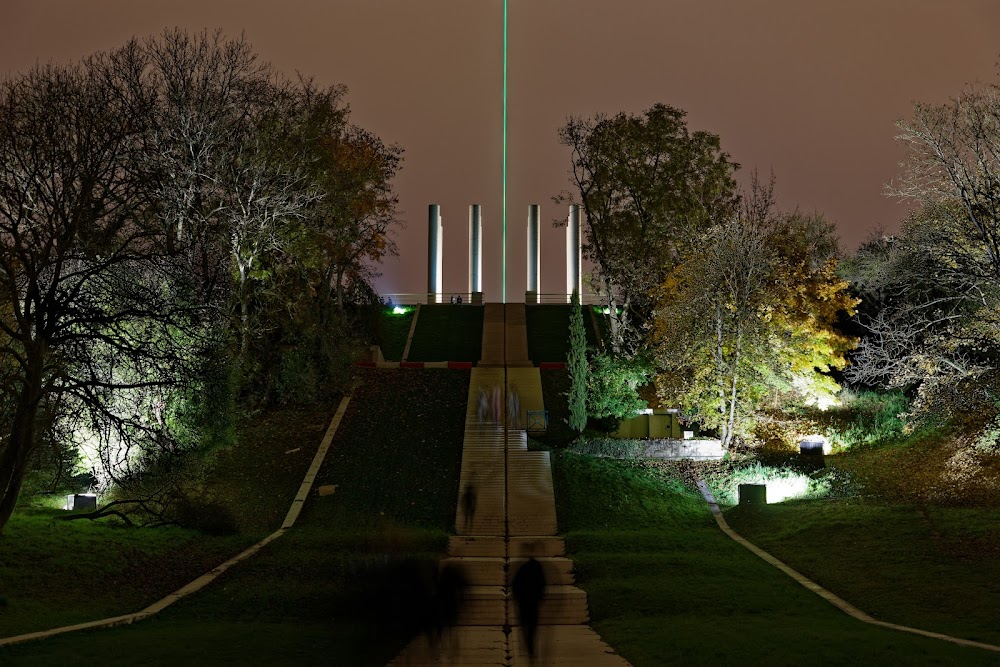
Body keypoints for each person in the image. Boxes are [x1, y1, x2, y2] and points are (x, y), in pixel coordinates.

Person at [512, 553, 546, 661]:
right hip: (532, 602)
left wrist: (517, 598)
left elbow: (515, 585)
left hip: (524, 602)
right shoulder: (537, 569)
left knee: (525, 626)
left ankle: (529, 645)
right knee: (532, 626)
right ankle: (530, 646)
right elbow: (542, 584)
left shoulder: (521, 569)